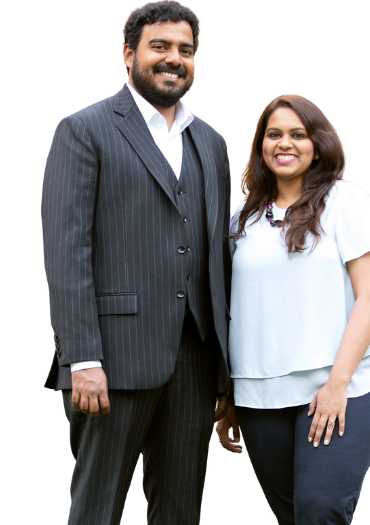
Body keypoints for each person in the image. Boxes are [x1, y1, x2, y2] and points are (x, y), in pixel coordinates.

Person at [41, 2, 232, 524]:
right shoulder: (84, 129)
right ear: (128, 54)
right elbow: (67, 252)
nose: (174, 59)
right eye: (160, 46)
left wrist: (224, 374)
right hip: (112, 358)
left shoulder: (211, 141)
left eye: (186, 50)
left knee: (180, 510)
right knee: (98, 508)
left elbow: (217, 258)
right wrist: (82, 358)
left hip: (194, 360)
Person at [215, 94, 370, 524]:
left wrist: (338, 384)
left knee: (320, 510)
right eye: (274, 134)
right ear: (261, 146)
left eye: (298, 134)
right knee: (292, 516)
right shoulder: (243, 217)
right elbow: (234, 309)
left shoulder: (348, 200)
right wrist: (229, 396)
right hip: (260, 397)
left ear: (318, 144)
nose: (285, 143)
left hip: (346, 386)